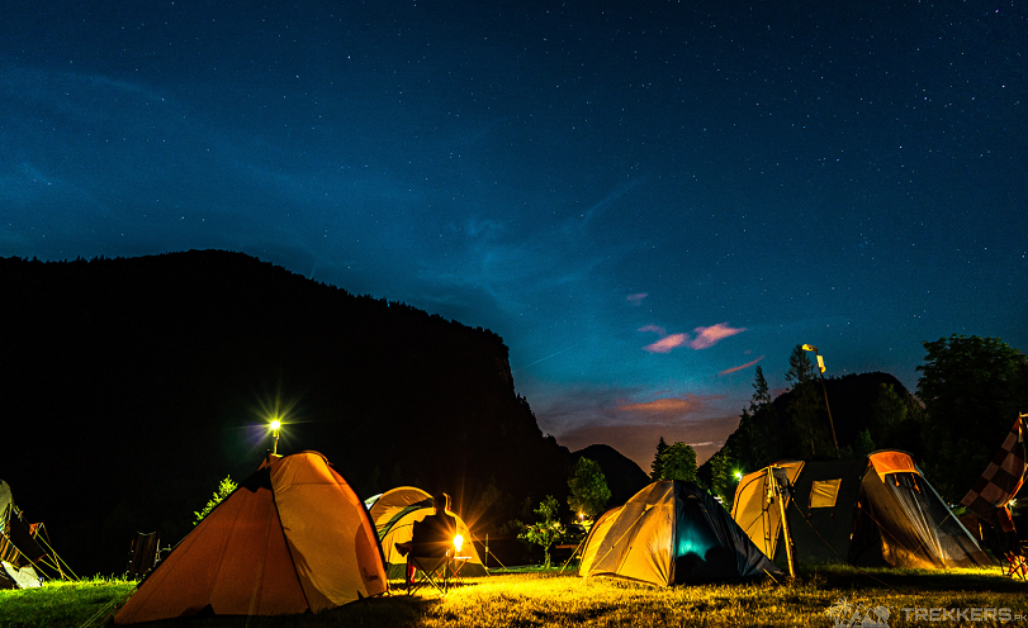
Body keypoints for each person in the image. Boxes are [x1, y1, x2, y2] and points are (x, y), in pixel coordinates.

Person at [395, 493, 457, 586]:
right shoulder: (452, 520)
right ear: (445, 504)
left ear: (436, 504)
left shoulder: (428, 519)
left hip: (421, 557)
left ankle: (405, 549)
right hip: (441, 558)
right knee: (418, 544)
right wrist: (451, 554)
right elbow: (452, 540)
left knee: (413, 549)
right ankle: (404, 547)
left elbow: (417, 539)